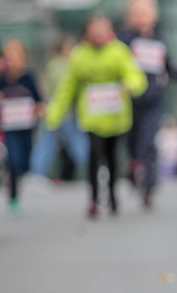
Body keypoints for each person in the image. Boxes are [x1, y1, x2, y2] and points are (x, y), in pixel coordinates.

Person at [46, 14, 149, 218]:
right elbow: (67, 87)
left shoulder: (119, 51)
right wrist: (54, 114)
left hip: (116, 115)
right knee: (94, 154)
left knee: (112, 156)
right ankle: (93, 199)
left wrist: (131, 85)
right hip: (91, 116)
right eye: (96, 30)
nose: (100, 34)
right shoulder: (79, 55)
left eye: (103, 29)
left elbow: (134, 74)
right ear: (88, 32)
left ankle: (112, 196)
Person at [117, 0, 171, 208]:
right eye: (137, 13)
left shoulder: (159, 39)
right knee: (132, 142)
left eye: (146, 13)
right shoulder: (124, 41)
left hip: (153, 100)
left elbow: (168, 66)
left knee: (148, 142)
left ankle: (149, 186)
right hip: (130, 101)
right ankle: (133, 166)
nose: (142, 18)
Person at [0, 40, 44, 215]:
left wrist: (37, 110)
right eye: (9, 57)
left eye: (16, 56)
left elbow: (39, 101)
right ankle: (13, 194)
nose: (13, 61)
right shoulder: (1, 80)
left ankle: (19, 178)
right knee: (13, 160)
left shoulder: (29, 77)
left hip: (27, 127)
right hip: (9, 127)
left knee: (25, 160)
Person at [31, 35, 90, 180]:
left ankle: (36, 173)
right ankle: (93, 170)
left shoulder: (54, 65)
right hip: (62, 112)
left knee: (50, 145)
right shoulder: (62, 65)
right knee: (75, 144)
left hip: (59, 112)